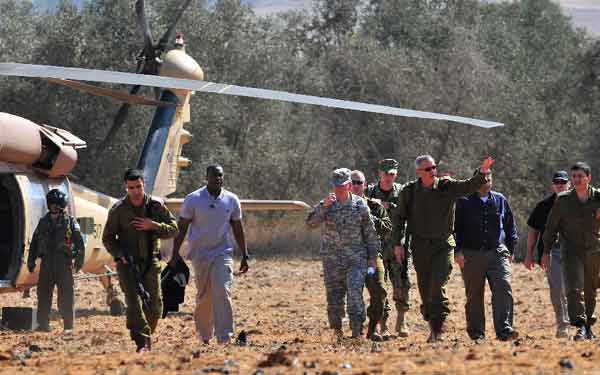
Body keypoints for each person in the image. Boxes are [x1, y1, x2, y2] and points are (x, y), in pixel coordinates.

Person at [391, 155, 493, 342]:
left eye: (434, 168)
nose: (432, 172)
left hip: (443, 245)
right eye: (428, 169)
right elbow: (398, 218)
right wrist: (398, 243)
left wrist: (483, 172)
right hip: (420, 246)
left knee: (437, 288)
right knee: (425, 290)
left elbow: (468, 186)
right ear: (419, 172)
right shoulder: (410, 192)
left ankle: (438, 330)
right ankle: (433, 326)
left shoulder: (446, 187)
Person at [169, 164, 249, 345]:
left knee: (222, 290)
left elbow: (237, 228)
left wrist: (244, 254)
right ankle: (205, 335)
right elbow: (181, 228)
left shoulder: (231, 200)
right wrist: (174, 254)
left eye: (220, 176)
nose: (218, 179)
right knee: (204, 296)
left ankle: (225, 336)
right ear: (206, 178)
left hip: (223, 252)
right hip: (200, 254)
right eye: (214, 176)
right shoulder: (193, 199)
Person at [103, 168, 178, 352]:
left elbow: (174, 229)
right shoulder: (118, 210)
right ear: (125, 187)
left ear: (143, 185)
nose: (135, 192)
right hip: (127, 264)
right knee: (134, 303)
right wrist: (120, 254)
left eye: (138, 187)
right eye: (131, 188)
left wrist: (154, 226)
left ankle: (145, 334)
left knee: (155, 306)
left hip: (150, 262)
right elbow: (108, 238)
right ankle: (142, 341)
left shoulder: (155, 206)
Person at [307, 168, 380, 339]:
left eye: (342, 185)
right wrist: (323, 207)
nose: (338, 189)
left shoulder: (360, 205)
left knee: (355, 292)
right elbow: (310, 223)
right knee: (334, 297)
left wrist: (373, 258)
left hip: (356, 258)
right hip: (332, 259)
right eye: (335, 186)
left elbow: (370, 232)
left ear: (349, 185)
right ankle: (337, 331)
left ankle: (356, 331)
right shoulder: (327, 204)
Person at [454, 170, 518, 341]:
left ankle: (504, 330)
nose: (486, 182)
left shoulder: (500, 200)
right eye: (483, 179)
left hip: (497, 253)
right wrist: (457, 251)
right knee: (474, 295)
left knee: (504, 287)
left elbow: (510, 226)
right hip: (471, 255)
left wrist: (511, 250)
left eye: (489, 179)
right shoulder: (463, 201)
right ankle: (477, 333)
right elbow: (456, 229)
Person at [542, 162, 600, 341]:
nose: (576, 180)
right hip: (571, 250)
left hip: (593, 250)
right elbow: (551, 227)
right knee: (574, 288)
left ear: (588, 178)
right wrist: (546, 251)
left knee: (590, 289)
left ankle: (588, 325)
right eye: (574, 176)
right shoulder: (564, 200)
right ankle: (580, 325)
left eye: (580, 176)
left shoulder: (598, 197)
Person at [27, 189, 84, 333]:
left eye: (57, 204)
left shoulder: (70, 221)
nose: (54, 206)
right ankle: (43, 324)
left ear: (62, 204)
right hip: (46, 263)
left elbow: (79, 242)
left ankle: (68, 325)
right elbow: (34, 242)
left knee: (66, 295)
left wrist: (79, 260)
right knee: (43, 294)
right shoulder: (43, 222)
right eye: (52, 204)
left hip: (63, 264)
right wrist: (31, 260)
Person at [366, 158, 410, 338]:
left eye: (392, 174)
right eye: (386, 174)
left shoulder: (402, 192)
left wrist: (389, 205)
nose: (389, 178)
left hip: (398, 244)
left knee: (402, 283)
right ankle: (382, 323)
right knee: (380, 286)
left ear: (396, 174)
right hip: (377, 247)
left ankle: (401, 320)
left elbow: (409, 214)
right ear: (379, 174)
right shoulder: (369, 192)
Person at [524, 170, 571, 338]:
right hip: (552, 253)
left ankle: (580, 323)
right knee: (558, 289)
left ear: (569, 184)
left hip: (575, 252)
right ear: (553, 185)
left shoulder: (578, 203)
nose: (560, 185)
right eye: (557, 182)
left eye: (563, 182)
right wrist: (529, 254)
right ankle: (563, 324)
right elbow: (533, 231)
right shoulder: (543, 206)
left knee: (575, 289)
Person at [350, 170, 392, 341]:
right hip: (350, 258)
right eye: (352, 182)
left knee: (380, 291)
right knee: (354, 294)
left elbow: (387, 228)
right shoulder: (340, 207)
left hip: (372, 258)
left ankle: (373, 327)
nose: (356, 186)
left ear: (365, 185)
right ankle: (356, 330)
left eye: (359, 182)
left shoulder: (374, 206)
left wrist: (369, 217)